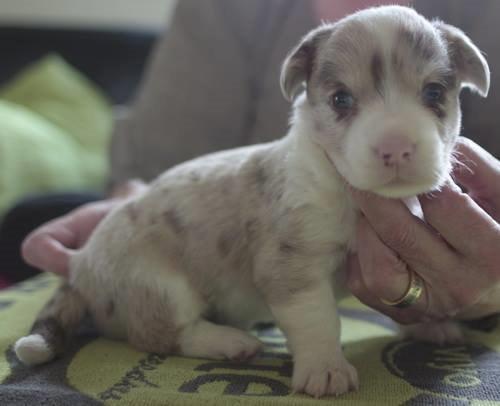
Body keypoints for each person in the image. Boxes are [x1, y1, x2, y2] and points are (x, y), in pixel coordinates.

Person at [16, 0, 500, 323]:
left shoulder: (480, 18)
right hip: (238, 252)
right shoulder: (228, 10)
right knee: (33, 215)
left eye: (432, 92)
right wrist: (142, 221)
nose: (393, 142)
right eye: (344, 102)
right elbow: (151, 166)